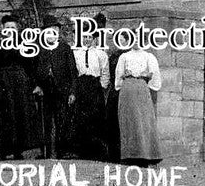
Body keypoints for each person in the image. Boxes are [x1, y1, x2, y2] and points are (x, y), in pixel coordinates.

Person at [0, 14, 40, 160]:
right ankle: (4, 150)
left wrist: (34, 83)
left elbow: (31, 65)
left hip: (20, 83)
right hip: (3, 83)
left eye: (13, 28)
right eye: (7, 28)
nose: (10, 30)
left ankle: (19, 150)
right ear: (3, 29)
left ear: (17, 29)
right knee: (5, 115)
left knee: (20, 114)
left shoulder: (24, 44)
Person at [114, 31, 163, 165]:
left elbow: (155, 78)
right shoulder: (124, 57)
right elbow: (118, 77)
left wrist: (147, 75)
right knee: (128, 121)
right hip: (128, 90)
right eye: (134, 38)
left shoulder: (149, 57)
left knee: (143, 121)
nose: (136, 41)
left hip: (142, 89)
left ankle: (145, 156)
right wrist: (125, 75)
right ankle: (129, 156)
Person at [33, 15, 77, 159]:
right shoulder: (39, 49)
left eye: (54, 30)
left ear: (57, 32)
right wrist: (37, 85)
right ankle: (45, 152)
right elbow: (33, 70)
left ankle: (62, 151)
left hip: (62, 89)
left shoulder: (64, 48)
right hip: (45, 90)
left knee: (61, 120)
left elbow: (72, 72)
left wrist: (72, 92)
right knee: (44, 121)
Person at [68, 13, 110, 160]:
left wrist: (101, 87)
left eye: (89, 37)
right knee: (80, 117)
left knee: (95, 117)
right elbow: (73, 71)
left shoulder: (100, 54)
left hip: (94, 85)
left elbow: (105, 73)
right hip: (81, 85)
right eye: (84, 37)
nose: (87, 40)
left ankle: (96, 151)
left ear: (94, 39)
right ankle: (81, 150)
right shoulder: (75, 53)